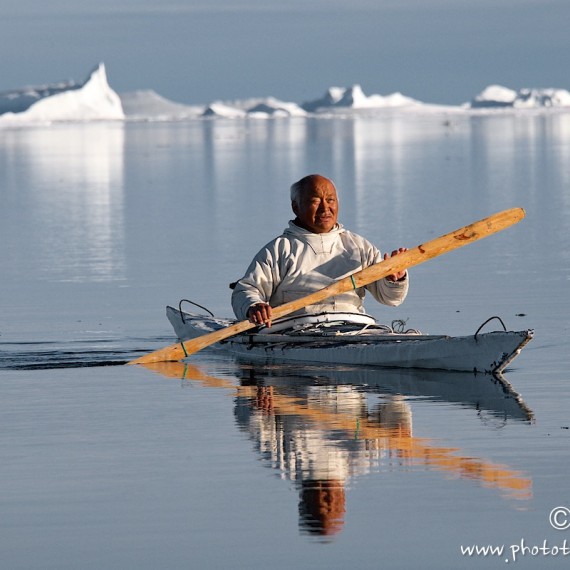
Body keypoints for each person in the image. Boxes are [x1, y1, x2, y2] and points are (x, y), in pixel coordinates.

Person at [231, 174, 409, 327]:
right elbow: (246, 290)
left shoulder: (359, 246)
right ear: (296, 207)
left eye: (330, 200)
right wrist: (253, 306)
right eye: (315, 201)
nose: (325, 208)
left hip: (355, 328)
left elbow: (390, 298)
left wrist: (394, 279)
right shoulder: (279, 250)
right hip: (292, 333)